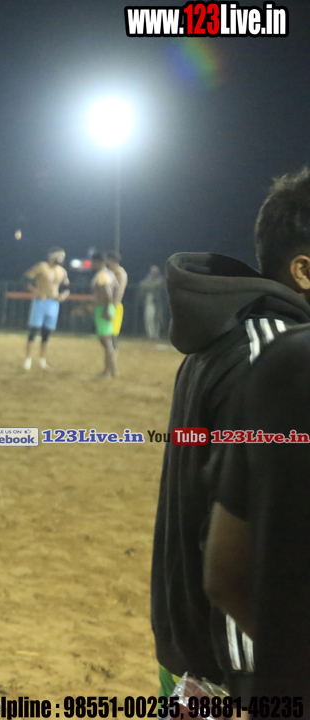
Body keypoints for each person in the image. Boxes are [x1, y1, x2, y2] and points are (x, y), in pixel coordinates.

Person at [197, 168, 310, 698]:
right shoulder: (278, 354)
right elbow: (230, 569)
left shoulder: (234, 339)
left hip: (206, 663)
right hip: (236, 668)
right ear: (303, 270)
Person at [22, 248, 70, 371]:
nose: (62, 259)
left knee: (46, 332)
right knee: (34, 330)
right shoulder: (41, 267)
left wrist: (63, 296)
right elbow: (26, 279)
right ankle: (28, 359)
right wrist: (36, 292)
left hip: (53, 303)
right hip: (41, 302)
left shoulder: (62, 271)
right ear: (52, 257)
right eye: (59, 256)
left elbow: (67, 287)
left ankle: (42, 360)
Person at [91, 252, 117, 378]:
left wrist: (106, 308)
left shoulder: (102, 275)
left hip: (103, 309)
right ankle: (112, 369)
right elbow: (116, 287)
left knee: (106, 342)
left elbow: (108, 292)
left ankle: (107, 372)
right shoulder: (110, 274)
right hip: (106, 308)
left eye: (93, 262)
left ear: (98, 262)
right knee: (106, 341)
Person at [107, 251, 129, 344]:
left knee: (112, 336)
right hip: (111, 305)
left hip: (115, 305)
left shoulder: (120, 273)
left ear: (111, 260)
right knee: (108, 335)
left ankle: (113, 352)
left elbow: (119, 291)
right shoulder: (112, 272)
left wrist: (113, 307)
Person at [139, 265, 166, 340]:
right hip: (148, 300)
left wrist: (147, 284)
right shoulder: (148, 277)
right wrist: (148, 282)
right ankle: (150, 334)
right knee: (148, 318)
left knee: (157, 318)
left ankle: (156, 335)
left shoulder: (160, 278)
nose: (153, 272)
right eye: (152, 270)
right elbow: (141, 284)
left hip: (157, 302)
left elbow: (155, 285)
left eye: (155, 270)